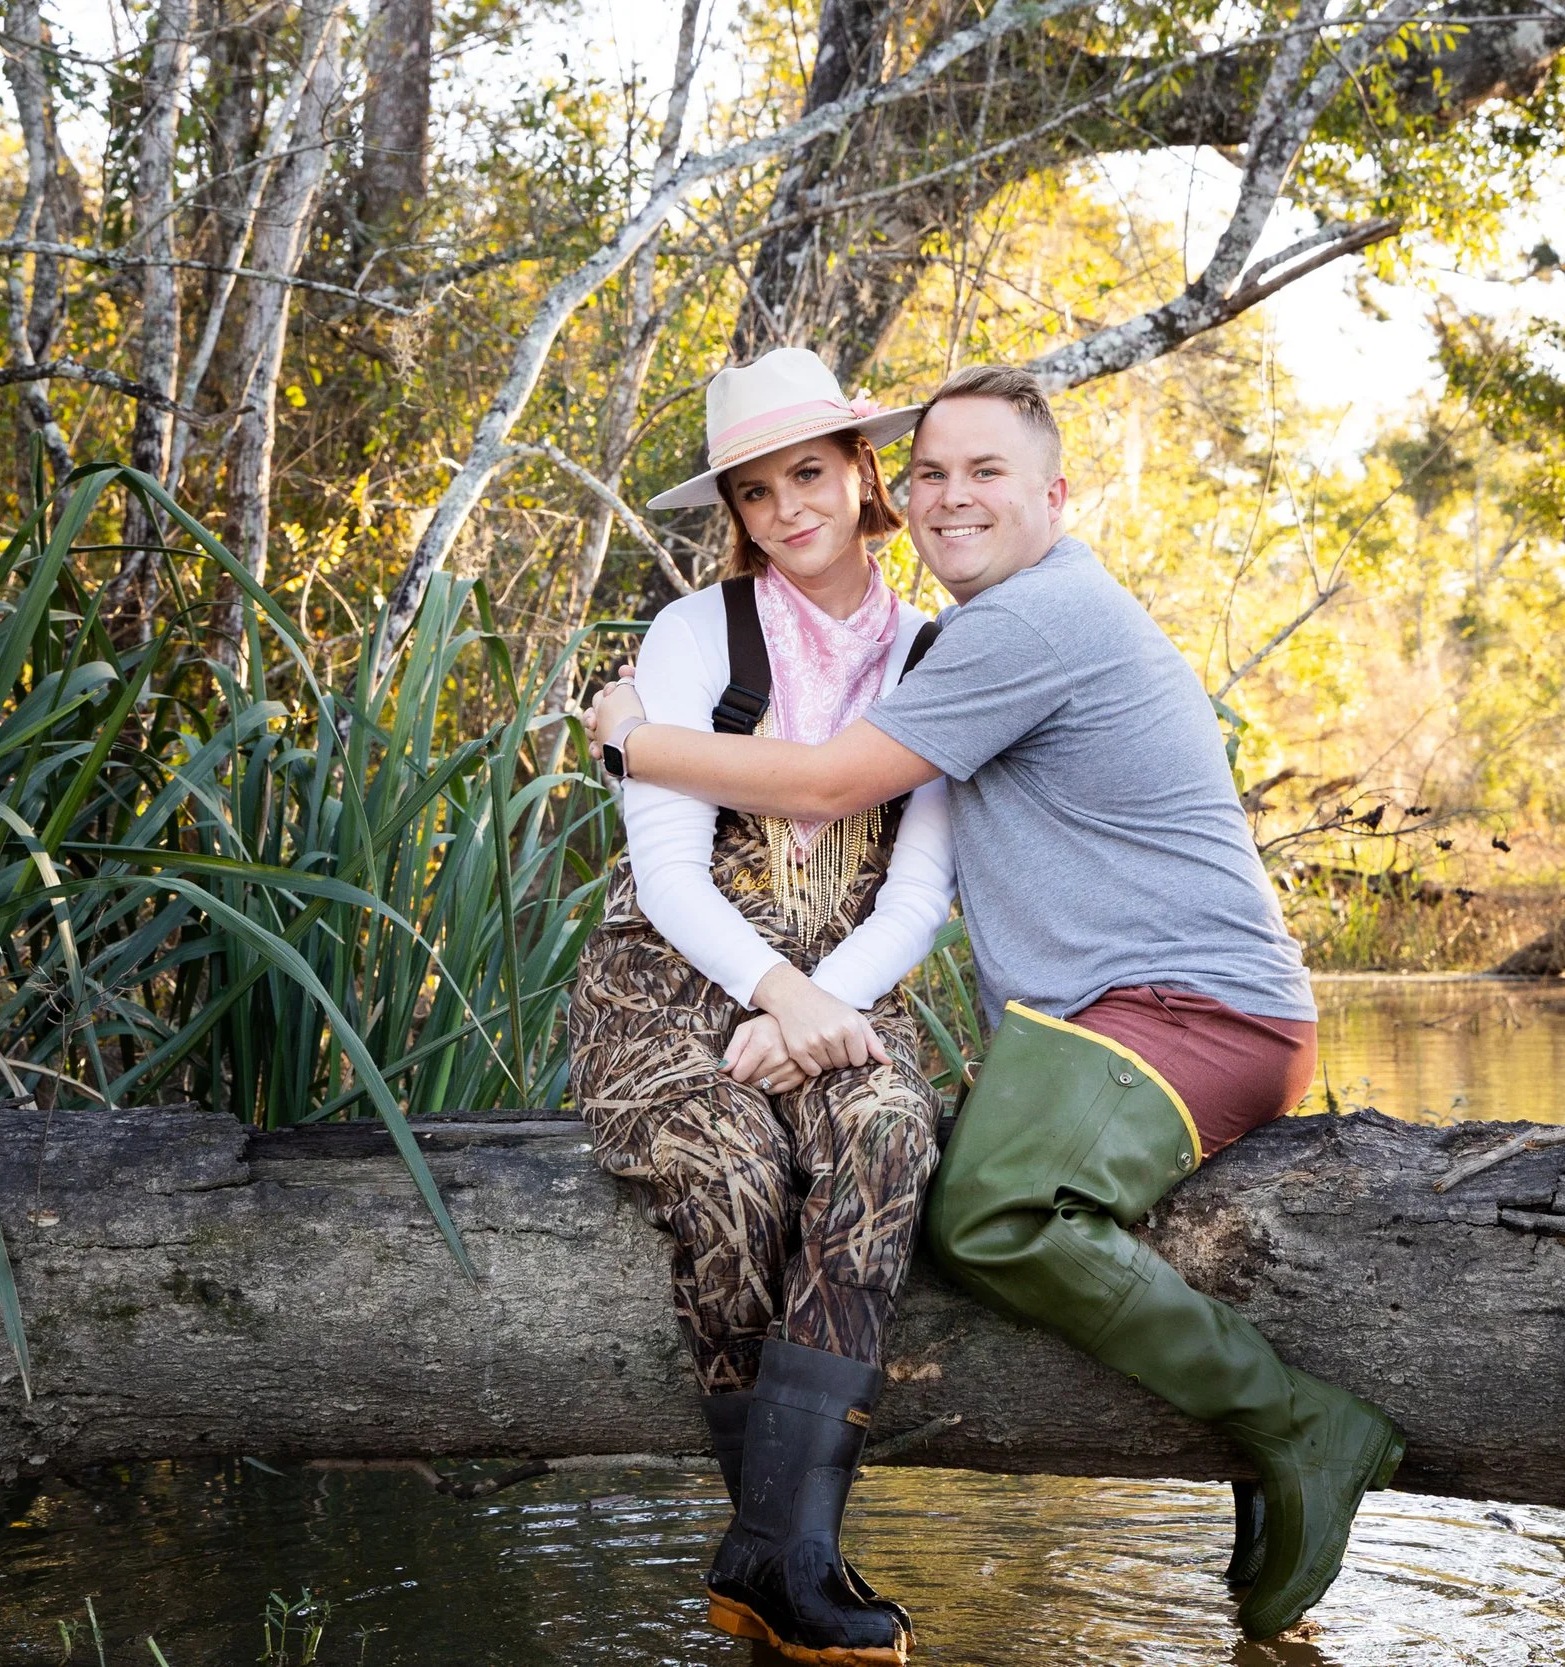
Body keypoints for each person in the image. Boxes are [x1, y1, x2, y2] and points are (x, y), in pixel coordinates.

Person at [587, 364, 1404, 1643]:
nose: (948, 496)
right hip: (1092, 1015)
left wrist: (629, 736)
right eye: (932, 474)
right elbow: (696, 859)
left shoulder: (1014, 627)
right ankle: (774, 1552)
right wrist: (779, 986)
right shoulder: (831, 633)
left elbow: (831, 794)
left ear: (1053, 492)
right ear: (896, 490)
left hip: (1187, 1011)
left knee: (979, 1204)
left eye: (984, 473)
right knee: (779, 1167)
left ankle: (1296, 1420)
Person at [568, 347, 955, 1667]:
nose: (787, 508)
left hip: (845, 996)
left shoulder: (934, 651)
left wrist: (811, 1008)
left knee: (891, 1126)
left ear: (862, 474)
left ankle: (775, 1557)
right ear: (734, 513)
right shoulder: (691, 639)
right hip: (669, 998)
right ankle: (788, 1551)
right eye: (754, 491)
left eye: (809, 472)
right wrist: (771, 991)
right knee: (734, 1161)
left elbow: (921, 894)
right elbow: (666, 874)